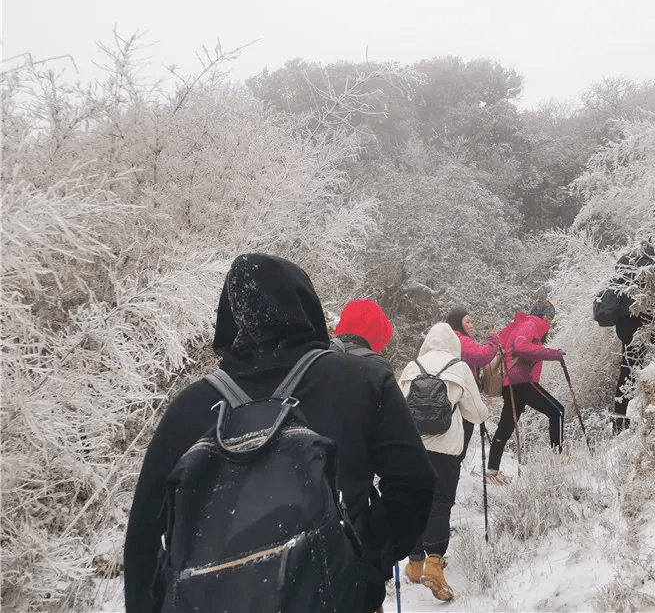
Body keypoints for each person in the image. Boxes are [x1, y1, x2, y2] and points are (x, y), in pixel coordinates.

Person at [123, 254, 436, 613]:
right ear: (308, 306)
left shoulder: (189, 408)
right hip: (337, 595)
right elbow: (415, 482)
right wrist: (366, 560)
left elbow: (144, 536)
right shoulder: (364, 381)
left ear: (231, 316)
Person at [398, 322, 489, 601]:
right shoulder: (459, 367)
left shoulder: (411, 367)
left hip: (412, 448)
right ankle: (434, 565)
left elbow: (397, 408)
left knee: (414, 501)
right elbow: (476, 414)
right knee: (439, 502)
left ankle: (414, 563)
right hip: (446, 450)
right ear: (454, 344)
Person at [486, 300, 565, 483]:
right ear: (545, 316)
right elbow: (521, 347)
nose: (551, 324)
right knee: (557, 411)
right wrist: (554, 354)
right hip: (520, 380)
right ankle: (558, 459)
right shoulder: (531, 324)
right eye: (551, 319)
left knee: (505, 427)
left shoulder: (525, 324)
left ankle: (491, 472)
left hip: (511, 382)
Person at [606, 245, 654, 435]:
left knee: (627, 370)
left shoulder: (625, 271)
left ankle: (621, 419)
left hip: (625, 327)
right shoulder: (644, 270)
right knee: (632, 371)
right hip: (637, 327)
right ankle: (625, 421)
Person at [445, 306, 501, 461]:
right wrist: (493, 339)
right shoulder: (461, 340)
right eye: (467, 321)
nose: (471, 325)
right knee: (458, 451)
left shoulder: (447, 341)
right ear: (458, 323)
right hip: (462, 403)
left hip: (445, 401)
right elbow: (483, 356)